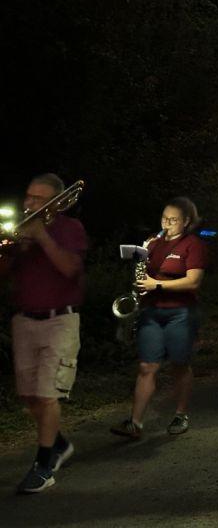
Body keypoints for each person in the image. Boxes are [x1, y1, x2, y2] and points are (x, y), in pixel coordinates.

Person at [0, 174, 86, 493]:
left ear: (55, 201)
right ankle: (59, 443)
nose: (30, 203)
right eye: (28, 196)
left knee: (48, 394)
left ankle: (43, 466)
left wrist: (42, 237)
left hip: (59, 320)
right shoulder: (21, 230)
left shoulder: (69, 228)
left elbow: (69, 269)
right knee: (30, 397)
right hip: (24, 321)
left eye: (38, 198)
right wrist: (10, 249)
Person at [110, 197, 207, 440]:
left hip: (181, 312)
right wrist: (140, 263)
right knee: (146, 366)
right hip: (151, 311)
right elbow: (143, 277)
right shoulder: (153, 243)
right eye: (165, 218)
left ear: (186, 221)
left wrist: (158, 285)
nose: (168, 223)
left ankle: (180, 413)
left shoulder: (192, 244)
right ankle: (135, 423)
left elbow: (193, 281)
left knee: (179, 364)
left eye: (173, 220)